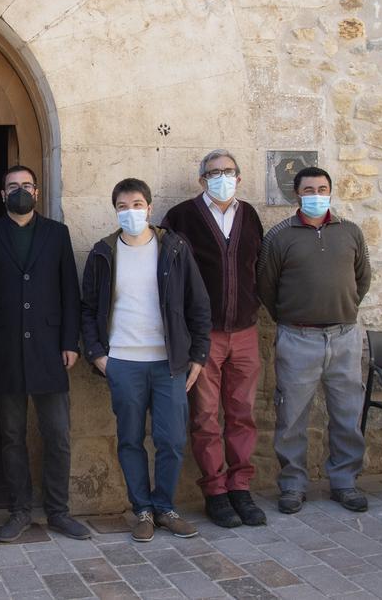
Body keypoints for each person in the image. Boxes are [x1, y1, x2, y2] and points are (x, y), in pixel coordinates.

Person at [81, 178, 212, 543]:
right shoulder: (103, 252)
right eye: (123, 206)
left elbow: (198, 305)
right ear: (115, 211)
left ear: (150, 208)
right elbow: (89, 309)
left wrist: (198, 356)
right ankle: (142, 510)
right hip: (122, 363)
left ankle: (165, 507)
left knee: (170, 439)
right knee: (130, 439)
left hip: (169, 363)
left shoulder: (173, 247)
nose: (131, 212)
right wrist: (98, 356)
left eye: (137, 204)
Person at [0, 165, 88, 542]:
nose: (20, 191)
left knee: (58, 434)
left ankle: (58, 511)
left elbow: (70, 291)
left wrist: (70, 341)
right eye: (12, 186)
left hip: (50, 350)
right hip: (4, 350)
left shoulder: (57, 233)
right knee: (11, 436)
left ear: (37, 192)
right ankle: (19, 510)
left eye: (26, 185)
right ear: (2, 194)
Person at [161, 150, 267, 529]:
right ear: (202, 179)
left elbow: (260, 266)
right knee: (205, 417)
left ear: (239, 178)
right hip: (203, 337)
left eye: (228, 171)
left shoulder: (250, 215)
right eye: (213, 172)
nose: (221, 177)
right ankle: (216, 491)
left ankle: (241, 486)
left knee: (242, 413)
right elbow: (169, 274)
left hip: (245, 332)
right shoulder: (181, 217)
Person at [257, 166, 372, 515]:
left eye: (322, 188)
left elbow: (362, 279)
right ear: (297, 195)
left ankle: (344, 482)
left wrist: (344, 308)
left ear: (330, 191)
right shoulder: (278, 236)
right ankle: (292, 485)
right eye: (309, 189)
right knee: (291, 415)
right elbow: (266, 286)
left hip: (345, 336)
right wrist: (291, 317)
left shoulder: (350, 231)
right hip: (297, 337)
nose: (316, 194)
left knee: (346, 412)